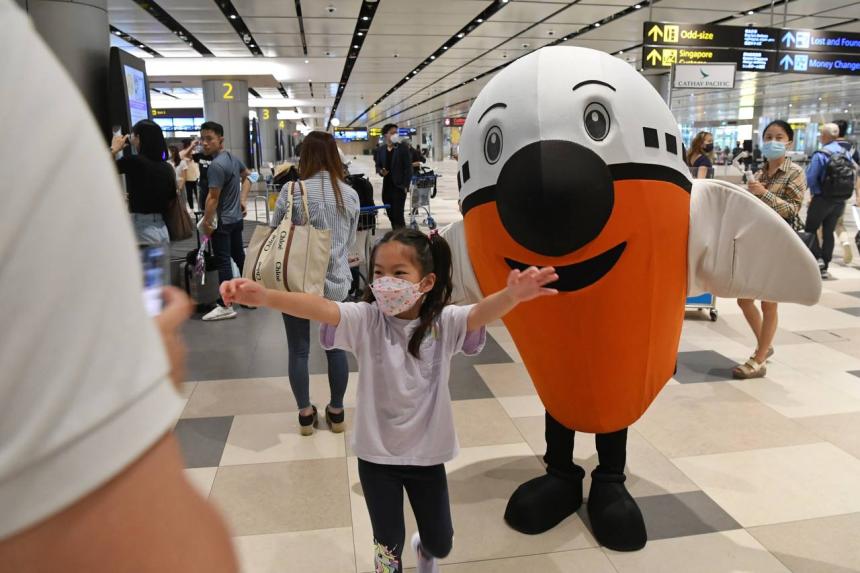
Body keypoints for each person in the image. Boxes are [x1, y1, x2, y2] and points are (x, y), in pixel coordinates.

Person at [0, 1, 237, 569]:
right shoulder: (167, 166)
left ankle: (137, 315)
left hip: (138, 228)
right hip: (158, 231)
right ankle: (140, 315)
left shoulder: (32, 106)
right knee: (155, 280)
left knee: (146, 274)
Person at [220, 229, 559, 573]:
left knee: (441, 541)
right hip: (377, 457)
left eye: (399, 273)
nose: (385, 282)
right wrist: (266, 297)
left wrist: (513, 295)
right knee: (387, 543)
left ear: (426, 282)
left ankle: (425, 551)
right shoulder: (367, 320)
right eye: (379, 272)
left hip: (427, 456)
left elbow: (480, 313)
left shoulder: (443, 323)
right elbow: (320, 307)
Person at [269, 131, 360, 435]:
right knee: (336, 349)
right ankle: (336, 412)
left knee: (298, 351)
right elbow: (348, 240)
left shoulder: (291, 191)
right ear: (334, 156)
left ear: (304, 156)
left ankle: (306, 415)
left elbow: (276, 233)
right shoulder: (349, 194)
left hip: (296, 284)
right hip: (335, 285)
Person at [733, 120, 807, 379]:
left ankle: (760, 357)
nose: (772, 140)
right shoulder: (761, 171)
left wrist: (763, 193)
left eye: (779, 136)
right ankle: (767, 345)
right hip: (758, 239)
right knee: (744, 300)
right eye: (768, 136)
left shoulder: (794, 172)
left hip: (779, 241)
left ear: (789, 142)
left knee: (769, 302)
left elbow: (792, 209)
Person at [196, 121, 253, 321]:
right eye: (202, 138)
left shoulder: (216, 166)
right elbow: (250, 177)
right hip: (235, 220)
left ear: (221, 139)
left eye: (209, 138)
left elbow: (213, 198)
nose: (204, 143)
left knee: (224, 261)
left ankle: (226, 304)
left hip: (222, 223)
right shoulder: (232, 158)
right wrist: (242, 200)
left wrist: (206, 223)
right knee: (239, 256)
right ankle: (248, 296)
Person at [109, 120, 176, 246]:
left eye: (132, 134)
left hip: (143, 228)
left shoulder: (135, 162)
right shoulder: (167, 167)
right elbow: (171, 197)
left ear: (138, 137)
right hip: (162, 228)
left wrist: (114, 148)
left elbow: (104, 167)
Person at [805, 123, 853, 278]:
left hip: (822, 198)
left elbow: (811, 177)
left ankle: (816, 259)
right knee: (829, 231)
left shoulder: (821, 153)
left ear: (825, 136)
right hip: (840, 200)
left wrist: (813, 193)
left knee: (811, 229)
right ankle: (825, 264)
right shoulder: (846, 153)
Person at [830, 120, 859, 265]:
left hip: (826, 193)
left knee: (822, 225)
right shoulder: (852, 148)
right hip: (845, 191)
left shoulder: (830, 147)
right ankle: (845, 242)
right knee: (839, 222)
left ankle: (820, 254)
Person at [374, 124, 413, 229]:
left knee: (398, 216)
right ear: (385, 135)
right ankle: (397, 234)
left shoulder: (402, 148)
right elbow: (377, 166)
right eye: (392, 132)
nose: (395, 135)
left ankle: (402, 238)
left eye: (396, 132)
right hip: (386, 188)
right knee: (391, 215)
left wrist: (406, 186)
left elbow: (408, 168)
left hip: (399, 188)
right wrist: (381, 171)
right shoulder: (381, 150)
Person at [182, 139, 201, 211]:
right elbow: (182, 156)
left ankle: (200, 209)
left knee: (198, 194)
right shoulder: (182, 153)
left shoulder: (194, 153)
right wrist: (191, 146)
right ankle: (191, 209)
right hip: (187, 178)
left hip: (196, 177)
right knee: (189, 195)